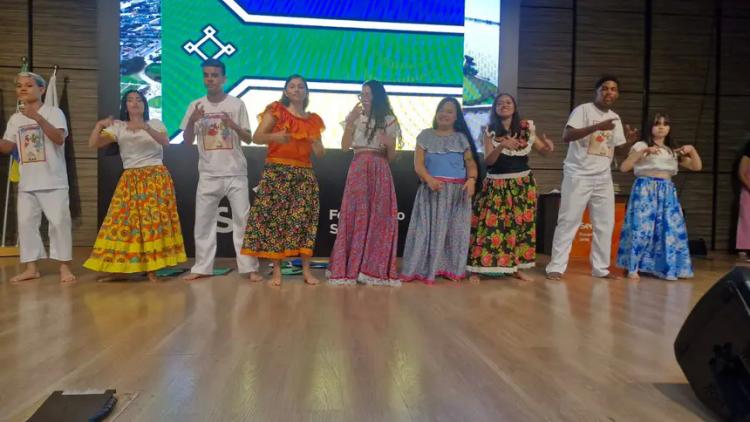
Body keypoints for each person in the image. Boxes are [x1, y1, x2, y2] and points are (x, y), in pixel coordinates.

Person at [84, 90, 187, 281]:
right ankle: (120, 268)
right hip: (130, 178)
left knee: (151, 222)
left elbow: (165, 142)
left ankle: (153, 269)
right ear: (125, 106)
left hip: (155, 176)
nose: (135, 103)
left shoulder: (154, 123)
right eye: (130, 100)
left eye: (139, 100)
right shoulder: (118, 127)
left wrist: (145, 127)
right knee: (123, 222)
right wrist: (99, 125)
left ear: (144, 104)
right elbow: (94, 143)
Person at [546, 75, 640, 280]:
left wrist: (629, 142)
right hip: (578, 174)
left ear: (617, 94)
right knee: (568, 221)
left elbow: (617, 151)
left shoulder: (615, 118)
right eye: (604, 88)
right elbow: (567, 136)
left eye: (613, 89)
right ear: (597, 91)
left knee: (605, 224)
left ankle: (601, 268)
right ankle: (556, 267)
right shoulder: (583, 110)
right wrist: (596, 127)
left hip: (603, 176)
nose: (609, 92)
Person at [180, 59, 262, 282]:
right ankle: (201, 267)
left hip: (235, 173)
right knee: (203, 223)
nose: (210, 79)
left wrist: (232, 125)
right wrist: (192, 121)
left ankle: (250, 267)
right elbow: (186, 141)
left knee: (243, 222)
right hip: (208, 174)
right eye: (206, 75)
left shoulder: (236, 104)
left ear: (224, 78)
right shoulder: (195, 105)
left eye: (215, 75)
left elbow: (249, 138)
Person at [241, 75, 325, 286]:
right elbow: (256, 137)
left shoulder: (313, 120)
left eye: (301, 86)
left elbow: (320, 153)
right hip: (277, 171)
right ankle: (277, 272)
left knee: (304, 222)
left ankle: (306, 271)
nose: (296, 89)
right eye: (292, 86)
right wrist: (275, 137)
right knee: (275, 222)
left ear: (306, 92)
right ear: (286, 91)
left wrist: (316, 143)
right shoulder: (276, 110)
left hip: (304, 174)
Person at [467, 93, 554, 282]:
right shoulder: (489, 130)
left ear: (514, 106)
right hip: (496, 184)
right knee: (489, 227)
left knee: (519, 228)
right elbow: (489, 161)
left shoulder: (526, 128)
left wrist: (548, 147)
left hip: (522, 185)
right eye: (499, 103)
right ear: (495, 108)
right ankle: (477, 269)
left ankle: (514, 268)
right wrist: (502, 146)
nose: (504, 105)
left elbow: (543, 151)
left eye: (508, 102)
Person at [0, 72, 76, 283]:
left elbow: (59, 138)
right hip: (27, 182)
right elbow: (8, 147)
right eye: (19, 86)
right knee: (26, 225)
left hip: (53, 180)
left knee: (59, 223)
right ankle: (31, 268)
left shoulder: (54, 112)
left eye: (28, 85)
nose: (23, 89)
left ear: (42, 89)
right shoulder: (15, 118)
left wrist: (37, 118)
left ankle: (64, 267)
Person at [327, 80, 401, 286]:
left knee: (379, 217)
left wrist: (389, 144)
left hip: (380, 169)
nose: (364, 98)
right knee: (355, 215)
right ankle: (349, 267)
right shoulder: (355, 118)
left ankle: (372, 269)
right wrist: (350, 123)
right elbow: (344, 147)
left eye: (368, 94)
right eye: (362, 94)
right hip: (359, 168)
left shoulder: (389, 120)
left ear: (377, 96)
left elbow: (391, 157)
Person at [400, 97, 479, 283]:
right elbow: (418, 165)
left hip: (456, 194)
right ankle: (421, 269)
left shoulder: (461, 138)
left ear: (456, 117)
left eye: (449, 111)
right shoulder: (425, 136)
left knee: (453, 233)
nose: (444, 114)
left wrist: (472, 180)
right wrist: (429, 179)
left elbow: (470, 163)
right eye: (441, 110)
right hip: (432, 190)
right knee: (425, 231)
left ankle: (450, 269)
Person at [616, 113, 701, 280]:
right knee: (641, 227)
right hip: (645, 189)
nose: (661, 127)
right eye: (657, 124)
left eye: (665, 124)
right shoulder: (641, 145)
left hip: (667, 191)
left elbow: (696, 166)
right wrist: (644, 152)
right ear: (650, 127)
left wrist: (692, 150)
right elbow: (624, 167)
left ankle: (665, 267)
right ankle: (633, 266)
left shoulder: (671, 150)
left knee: (668, 229)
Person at [737, 139, 750, 257]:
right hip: (748, 191)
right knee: (747, 219)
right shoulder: (748, 154)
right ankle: (745, 248)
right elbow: (742, 173)